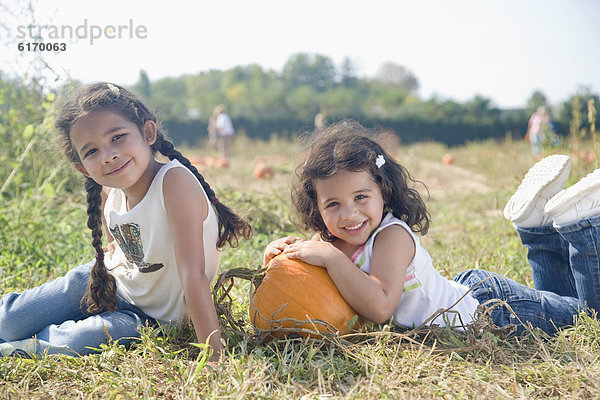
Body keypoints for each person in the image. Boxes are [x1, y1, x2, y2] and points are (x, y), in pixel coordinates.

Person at [264, 120, 599, 336]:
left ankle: (580, 226)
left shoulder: (391, 237)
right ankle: (536, 227)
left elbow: (380, 307)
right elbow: (308, 281)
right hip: (467, 294)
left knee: (589, 317)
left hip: (487, 309)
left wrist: (331, 259)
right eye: (332, 204)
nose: (349, 215)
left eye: (361, 197)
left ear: (385, 191)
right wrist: (280, 258)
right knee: (567, 303)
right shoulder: (331, 240)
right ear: (317, 207)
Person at [0, 83, 252, 358]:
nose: (109, 156)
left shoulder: (174, 182)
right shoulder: (113, 190)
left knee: (80, 338)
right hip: (107, 282)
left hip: (149, 318)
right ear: (83, 168)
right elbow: (116, 218)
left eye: (118, 137)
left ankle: (16, 350)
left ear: (148, 133)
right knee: (11, 320)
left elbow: (193, 275)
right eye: (92, 151)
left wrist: (214, 356)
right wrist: (114, 247)